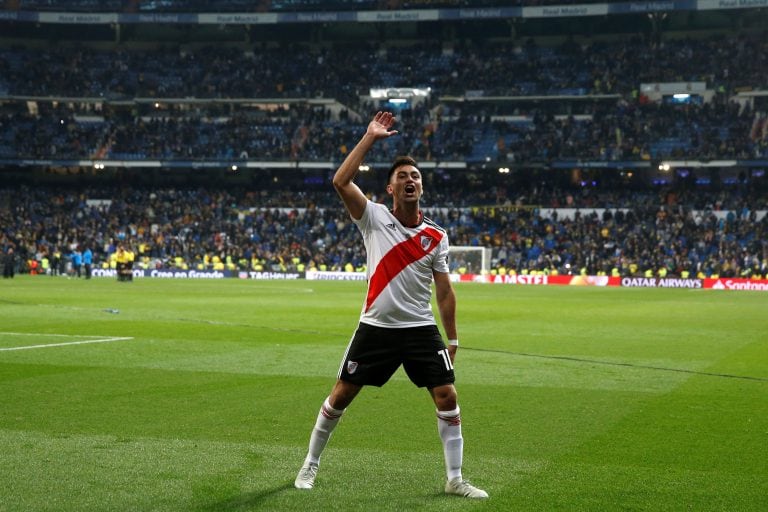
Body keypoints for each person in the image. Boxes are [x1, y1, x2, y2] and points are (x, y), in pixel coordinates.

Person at [294, 111, 488, 499]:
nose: (410, 180)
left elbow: (445, 291)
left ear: (422, 187)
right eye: (402, 176)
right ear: (390, 189)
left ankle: (454, 478)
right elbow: (339, 181)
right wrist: (369, 137)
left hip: (419, 328)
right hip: (376, 326)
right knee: (341, 395)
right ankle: (309, 465)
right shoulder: (373, 218)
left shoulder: (436, 236)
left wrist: (453, 337)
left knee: (447, 395)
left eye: (415, 176)